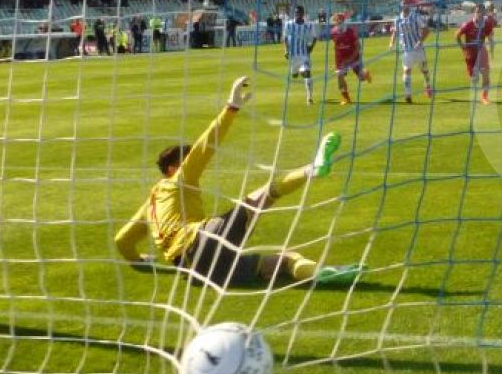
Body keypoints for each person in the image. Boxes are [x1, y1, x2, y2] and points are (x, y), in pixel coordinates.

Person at [113, 76, 359, 290]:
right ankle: (312, 169)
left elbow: (122, 240)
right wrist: (231, 108)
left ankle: (323, 274)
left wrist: (138, 260)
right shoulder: (179, 179)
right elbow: (204, 147)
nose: (189, 162)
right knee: (265, 194)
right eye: (184, 160)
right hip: (202, 238)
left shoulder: (150, 206)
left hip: (196, 272)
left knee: (282, 261)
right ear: (171, 168)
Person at [394, 0, 435, 103]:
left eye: (407, 3)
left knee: (424, 70)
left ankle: (428, 86)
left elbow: (426, 30)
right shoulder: (397, 19)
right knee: (406, 70)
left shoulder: (415, 16)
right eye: (404, 3)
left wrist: (420, 41)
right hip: (406, 50)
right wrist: (391, 43)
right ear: (401, 4)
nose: (405, 5)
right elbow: (395, 31)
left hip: (418, 49)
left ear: (410, 5)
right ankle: (408, 94)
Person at [456, 1, 497, 105]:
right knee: (475, 79)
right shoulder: (468, 25)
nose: (480, 14)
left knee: (486, 75)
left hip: (482, 52)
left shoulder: (487, 24)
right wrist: (463, 48)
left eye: (482, 12)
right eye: (478, 12)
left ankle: (484, 97)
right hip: (471, 55)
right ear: (474, 12)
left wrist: (492, 52)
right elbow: (457, 36)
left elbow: (491, 38)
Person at [328, 12, 371, 105]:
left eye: (340, 20)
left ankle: (365, 74)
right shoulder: (333, 32)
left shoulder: (351, 31)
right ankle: (346, 98)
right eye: (336, 20)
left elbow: (358, 46)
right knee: (339, 76)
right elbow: (336, 45)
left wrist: (351, 58)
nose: (338, 22)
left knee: (362, 78)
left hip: (354, 57)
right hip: (341, 59)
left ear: (344, 21)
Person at [282, 5, 318, 102]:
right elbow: (285, 38)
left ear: (303, 14)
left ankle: (309, 97)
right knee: (294, 75)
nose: (297, 14)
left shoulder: (309, 25)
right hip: (293, 56)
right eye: (296, 12)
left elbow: (315, 37)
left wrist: (311, 47)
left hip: (304, 55)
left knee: (307, 73)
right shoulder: (289, 24)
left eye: (299, 12)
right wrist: (286, 50)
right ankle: (296, 71)